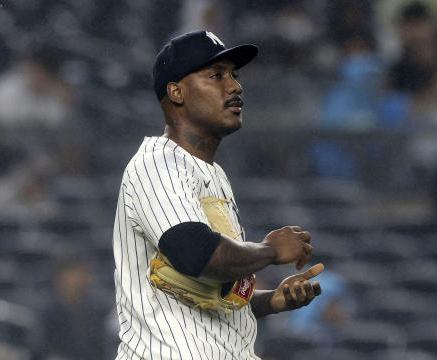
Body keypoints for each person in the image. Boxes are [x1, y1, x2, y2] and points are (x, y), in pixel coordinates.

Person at [112, 30, 323, 359]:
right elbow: (195, 252)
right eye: (216, 75)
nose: (235, 86)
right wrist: (269, 250)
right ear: (177, 91)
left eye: (234, 75)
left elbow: (207, 298)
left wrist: (272, 300)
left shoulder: (214, 175)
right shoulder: (157, 163)